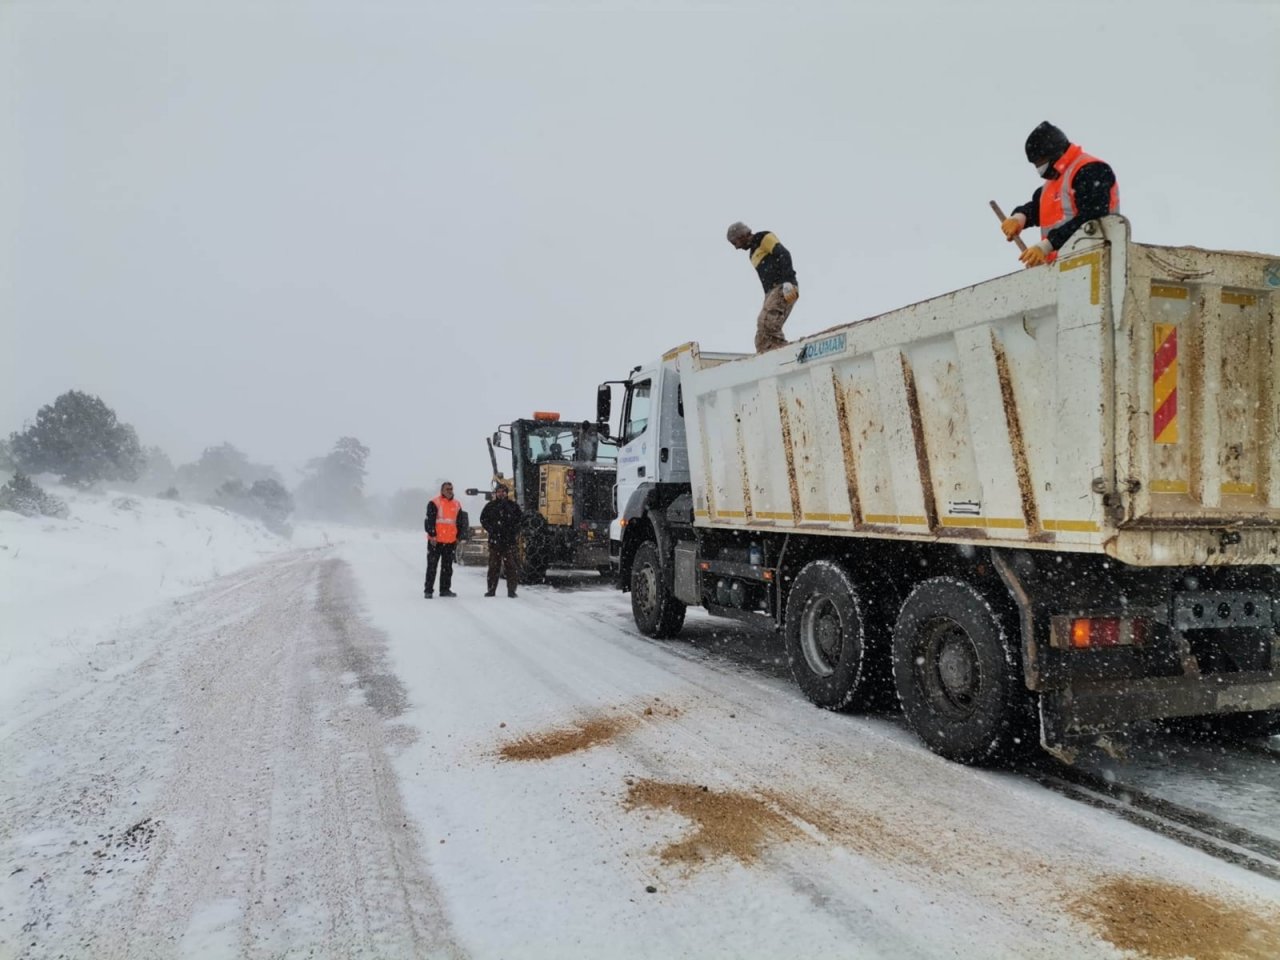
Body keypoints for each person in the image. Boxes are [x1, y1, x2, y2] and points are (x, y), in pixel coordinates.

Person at [1001, 121, 1119, 268]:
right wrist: (1019, 218)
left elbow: (1091, 216)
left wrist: (1047, 245)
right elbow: (1038, 208)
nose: (1040, 169)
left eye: (1041, 162)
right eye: (1036, 164)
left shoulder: (1091, 170)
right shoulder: (1053, 183)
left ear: (1055, 152)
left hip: (1098, 260)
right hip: (1063, 268)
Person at [726, 221, 799, 353]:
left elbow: (784, 254)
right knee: (761, 336)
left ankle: (782, 351)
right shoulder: (752, 253)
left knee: (766, 322)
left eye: (735, 243)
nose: (736, 248)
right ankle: (767, 356)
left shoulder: (763, 238)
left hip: (783, 286)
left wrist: (788, 282)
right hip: (771, 292)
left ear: (742, 236)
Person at [480, 482, 523, 597]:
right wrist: (491, 529)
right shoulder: (490, 506)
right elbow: (483, 519)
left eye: (503, 491)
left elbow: (520, 521)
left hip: (509, 542)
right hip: (495, 542)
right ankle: (491, 590)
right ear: (496, 493)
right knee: (493, 567)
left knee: (511, 567)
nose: (501, 494)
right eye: (499, 491)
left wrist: (514, 532)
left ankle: (511, 591)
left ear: (507, 493)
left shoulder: (513, 506)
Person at [423, 481, 460, 598]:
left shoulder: (457, 504)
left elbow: (460, 522)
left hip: (450, 541)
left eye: (451, 489)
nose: (450, 491)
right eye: (447, 489)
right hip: (436, 541)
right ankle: (428, 591)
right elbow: (430, 521)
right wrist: (432, 535)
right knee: (432, 567)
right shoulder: (434, 503)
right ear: (442, 491)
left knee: (447, 568)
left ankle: (445, 590)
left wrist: (459, 537)